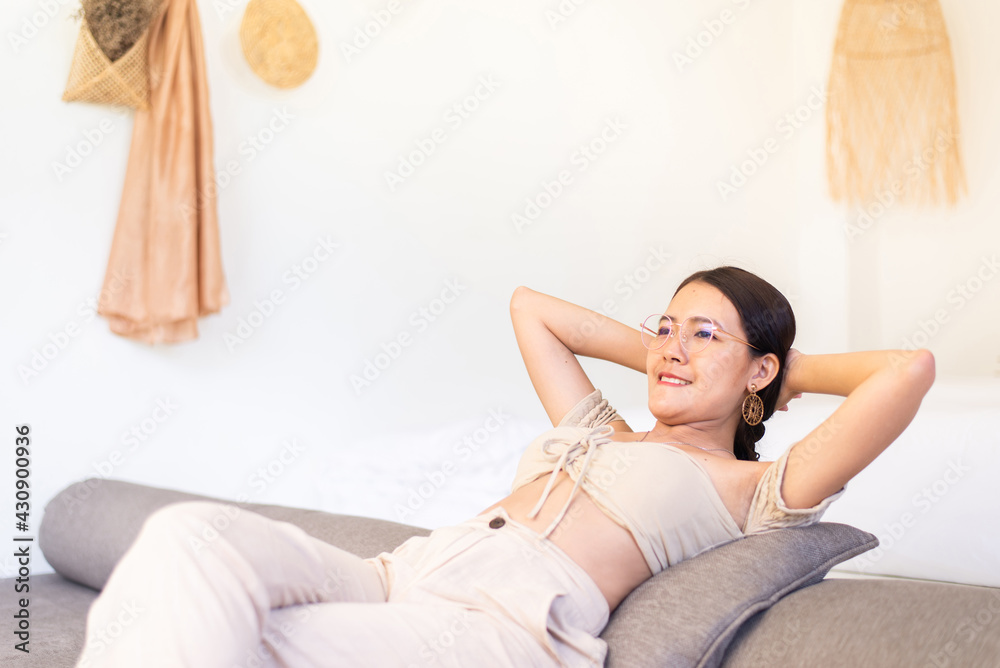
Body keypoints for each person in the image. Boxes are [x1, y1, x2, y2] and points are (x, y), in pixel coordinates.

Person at [74, 265, 935, 668]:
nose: (670, 346)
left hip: (497, 628)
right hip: (400, 574)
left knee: (244, 641)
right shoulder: (602, 428)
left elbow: (907, 372)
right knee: (186, 542)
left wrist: (780, 370)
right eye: (664, 327)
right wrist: (684, 350)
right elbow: (533, 309)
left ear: (758, 371)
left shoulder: (756, 488)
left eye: (702, 334)